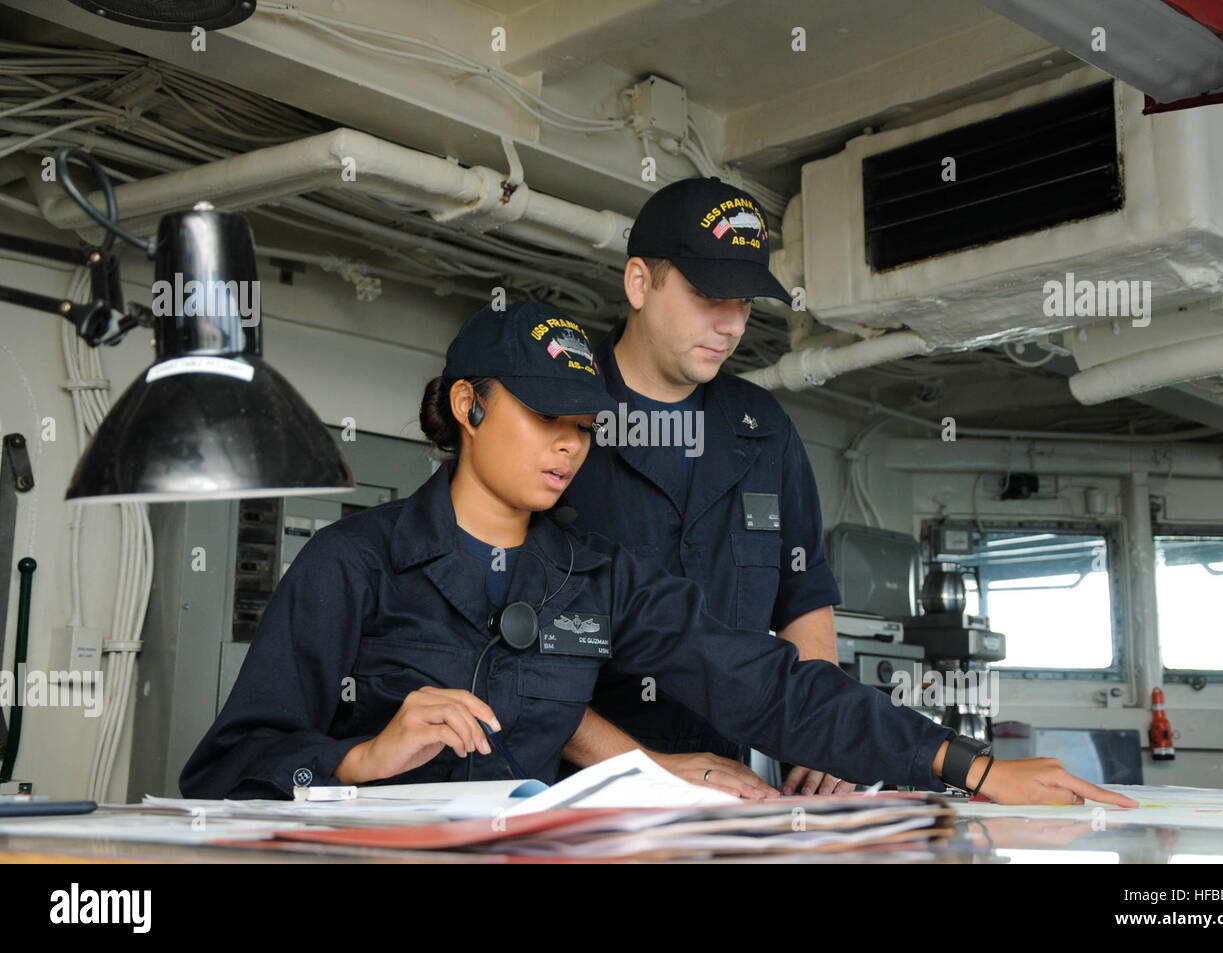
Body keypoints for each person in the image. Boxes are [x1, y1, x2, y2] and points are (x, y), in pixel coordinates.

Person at [179, 300, 1137, 810]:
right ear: (469, 406)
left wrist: (965, 766)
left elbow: (773, 685)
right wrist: (358, 758)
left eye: (584, 424)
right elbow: (224, 770)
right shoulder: (354, 564)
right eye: (544, 416)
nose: (568, 444)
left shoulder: (600, 575)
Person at [562, 176, 849, 797]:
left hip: (726, 786)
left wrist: (823, 728)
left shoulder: (764, 430)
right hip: (569, 785)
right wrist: (641, 766)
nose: (730, 326)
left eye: (743, 301)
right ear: (640, 282)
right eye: (707, 296)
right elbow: (498, 632)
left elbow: (802, 599)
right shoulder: (557, 408)